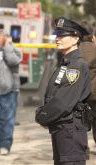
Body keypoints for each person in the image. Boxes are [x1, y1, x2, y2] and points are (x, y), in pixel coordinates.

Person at [35, 17, 91, 165]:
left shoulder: (75, 66)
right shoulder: (66, 63)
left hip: (70, 131)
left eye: (62, 35)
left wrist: (43, 115)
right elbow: (54, 95)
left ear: (75, 38)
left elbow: (63, 102)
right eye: (57, 35)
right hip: (62, 129)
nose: (57, 39)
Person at [79, 20, 96, 154]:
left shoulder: (74, 51)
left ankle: (83, 150)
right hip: (95, 93)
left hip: (79, 93)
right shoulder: (95, 48)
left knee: (80, 122)